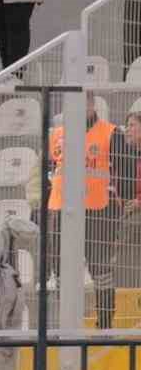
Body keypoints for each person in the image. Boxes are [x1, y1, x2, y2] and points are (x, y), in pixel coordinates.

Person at [48, 96, 135, 329]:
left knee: (100, 268)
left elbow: (126, 171)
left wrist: (120, 203)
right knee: (61, 268)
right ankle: (68, 324)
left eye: (81, 103)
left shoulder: (111, 132)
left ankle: (105, 323)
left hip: (99, 210)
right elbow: (49, 169)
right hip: (62, 210)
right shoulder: (57, 134)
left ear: (91, 105)